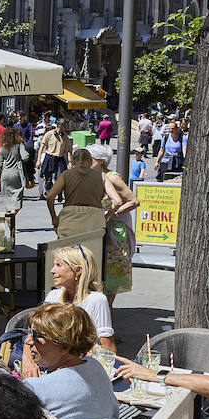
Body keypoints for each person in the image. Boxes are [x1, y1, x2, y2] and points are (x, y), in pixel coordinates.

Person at [19, 303, 122, 419]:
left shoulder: (38, 387)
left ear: (64, 347)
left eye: (36, 336)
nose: (28, 342)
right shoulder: (94, 365)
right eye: (29, 333)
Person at [87, 145, 139, 305]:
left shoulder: (112, 177)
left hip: (114, 231)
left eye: (90, 159)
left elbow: (134, 201)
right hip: (96, 230)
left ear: (100, 161)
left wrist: (111, 213)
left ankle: (107, 307)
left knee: (112, 270)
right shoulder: (90, 176)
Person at [43, 245, 115, 351]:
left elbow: (107, 347)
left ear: (78, 270)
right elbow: (34, 333)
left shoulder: (96, 300)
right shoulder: (53, 296)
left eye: (59, 265)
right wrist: (27, 359)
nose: (52, 270)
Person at [45, 147, 107, 239]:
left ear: (73, 161)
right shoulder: (101, 176)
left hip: (70, 217)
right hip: (94, 218)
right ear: (90, 161)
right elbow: (117, 200)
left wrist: (54, 217)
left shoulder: (66, 175)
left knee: (68, 250)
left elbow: (50, 196)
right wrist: (106, 216)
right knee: (93, 250)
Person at [0, 125, 29, 215]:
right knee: (17, 200)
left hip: (5, 176)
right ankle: (11, 215)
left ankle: (11, 226)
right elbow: (25, 157)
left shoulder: (2, 148)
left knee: (8, 201)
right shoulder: (19, 145)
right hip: (16, 175)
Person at [37, 118, 71, 193]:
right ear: (59, 126)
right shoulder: (49, 134)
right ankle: (49, 192)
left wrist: (70, 161)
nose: (66, 128)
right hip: (50, 157)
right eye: (64, 126)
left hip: (60, 158)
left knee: (60, 177)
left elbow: (68, 150)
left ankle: (58, 193)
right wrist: (38, 160)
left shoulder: (65, 136)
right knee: (48, 179)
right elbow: (41, 147)